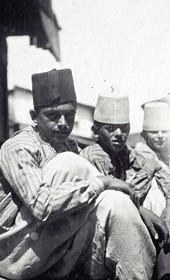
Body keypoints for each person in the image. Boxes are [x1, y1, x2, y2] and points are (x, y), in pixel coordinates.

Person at [0, 70, 167, 280]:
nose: (62, 122)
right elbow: (41, 205)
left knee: (114, 201)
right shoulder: (18, 147)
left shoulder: (69, 145)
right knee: (71, 164)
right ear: (34, 116)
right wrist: (103, 182)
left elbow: (103, 190)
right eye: (53, 115)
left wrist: (137, 209)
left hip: (52, 245)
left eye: (69, 115)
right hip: (14, 252)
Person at [80, 91, 170, 280]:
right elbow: (121, 194)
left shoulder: (124, 152)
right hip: (98, 231)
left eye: (123, 128)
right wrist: (148, 169)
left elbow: (160, 172)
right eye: (110, 128)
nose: (119, 134)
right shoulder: (94, 154)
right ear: (96, 131)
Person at [135, 101, 170, 280]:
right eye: (154, 132)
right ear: (143, 135)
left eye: (164, 131)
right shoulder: (142, 154)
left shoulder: (165, 155)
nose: (160, 136)